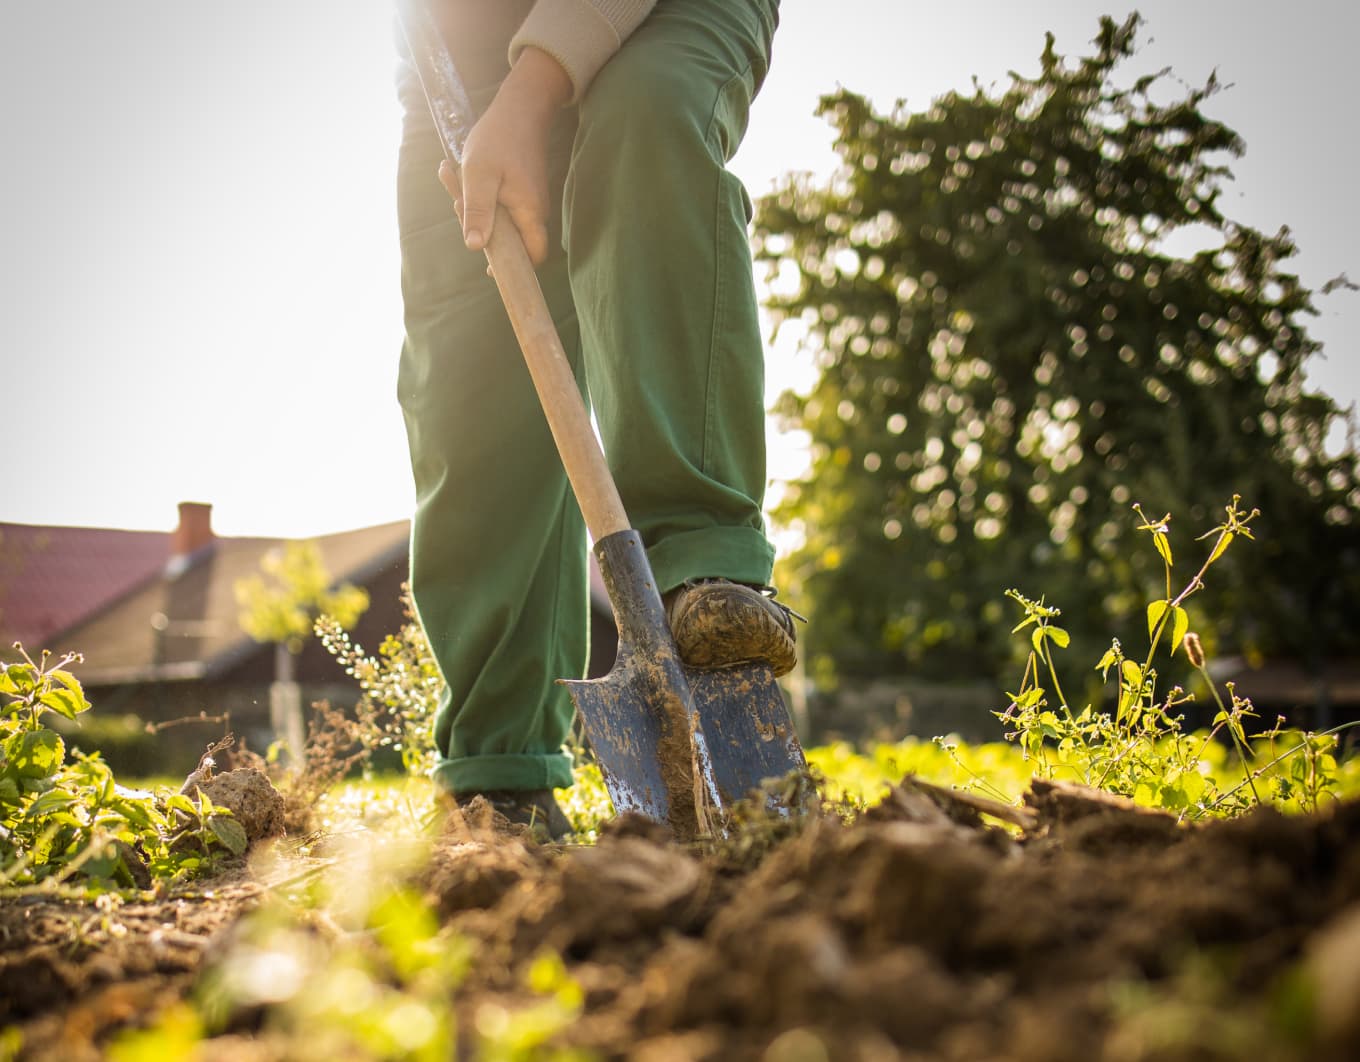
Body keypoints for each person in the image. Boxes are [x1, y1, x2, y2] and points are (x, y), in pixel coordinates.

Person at [396, 0, 792, 839]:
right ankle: (499, 771)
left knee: (646, 117)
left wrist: (533, 90)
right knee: (472, 357)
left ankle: (704, 582)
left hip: (668, 13)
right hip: (458, 48)